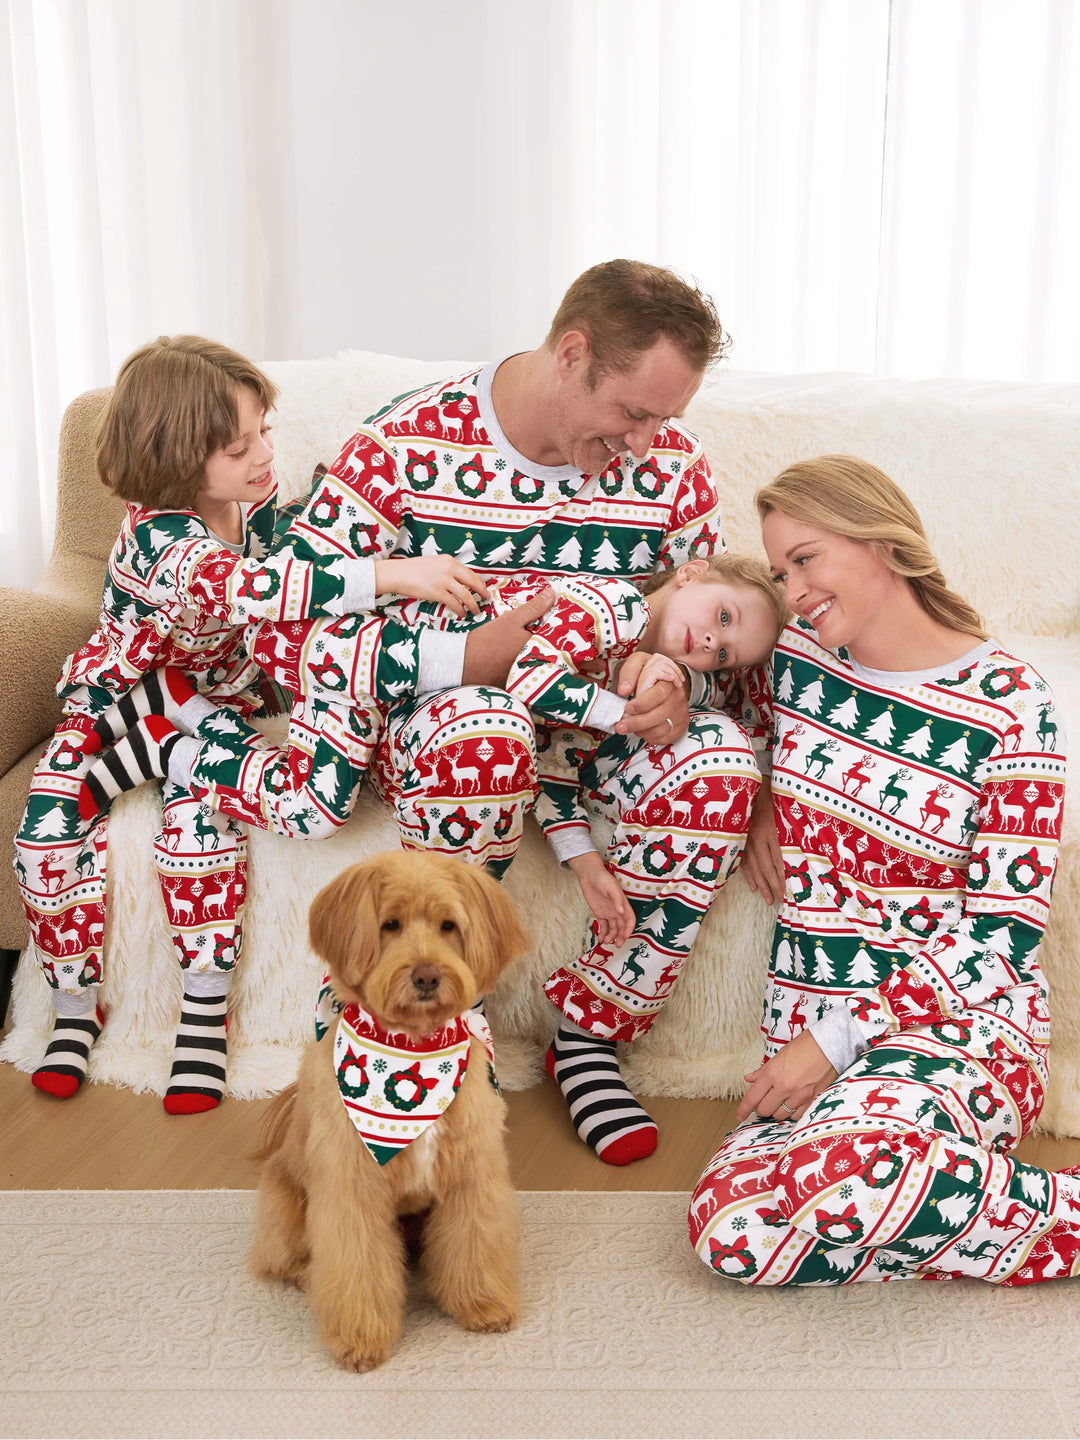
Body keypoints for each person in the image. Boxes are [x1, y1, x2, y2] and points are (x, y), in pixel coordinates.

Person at [186, 258, 764, 1163]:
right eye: (633, 413)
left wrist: (678, 683)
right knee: (484, 727)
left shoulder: (673, 473)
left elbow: (720, 619)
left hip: (595, 740)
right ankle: (440, 1029)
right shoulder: (403, 446)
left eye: (665, 418)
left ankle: (592, 1031)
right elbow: (284, 639)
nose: (648, 441)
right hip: (448, 732)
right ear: (572, 354)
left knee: (720, 762)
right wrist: (464, 661)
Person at [14, 335, 488, 1113]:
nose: (266, 453)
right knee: (45, 830)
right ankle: (74, 1007)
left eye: (263, 430)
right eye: (240, 448)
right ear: (174, 460)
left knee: (199, 831)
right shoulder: (157, 537)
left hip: (216, 707)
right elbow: (256, 588)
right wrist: (396, 574)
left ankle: (204, 1015)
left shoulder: (257, 504)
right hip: (120, 703)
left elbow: (305, 548)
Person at [688, 455, 1078, 1285]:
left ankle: (940, 1186)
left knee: (832, 1179)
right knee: (730, 1235)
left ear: (883, 543)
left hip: (962, 1029)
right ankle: (914, 1193)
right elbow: (709, 702)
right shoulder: (793, 658)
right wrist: (758, 795)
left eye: (806, 560)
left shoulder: (1014, 703)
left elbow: (1003, 938)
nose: (793, 592)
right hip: (812, 1034)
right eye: (780, 573)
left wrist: (832, 1044)